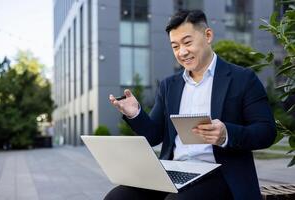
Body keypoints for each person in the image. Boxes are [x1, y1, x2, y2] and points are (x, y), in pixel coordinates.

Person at [107, 9, 276, 200]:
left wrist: (226, 134)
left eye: (187, 42)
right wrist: (135, 113)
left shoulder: (242, 79)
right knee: (117, 197)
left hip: (220, 174)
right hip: (174, 172)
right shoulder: (169, 85)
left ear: (208, 35)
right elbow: (154, 135)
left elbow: (266, 132)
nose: (182, 52)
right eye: (175, 46)